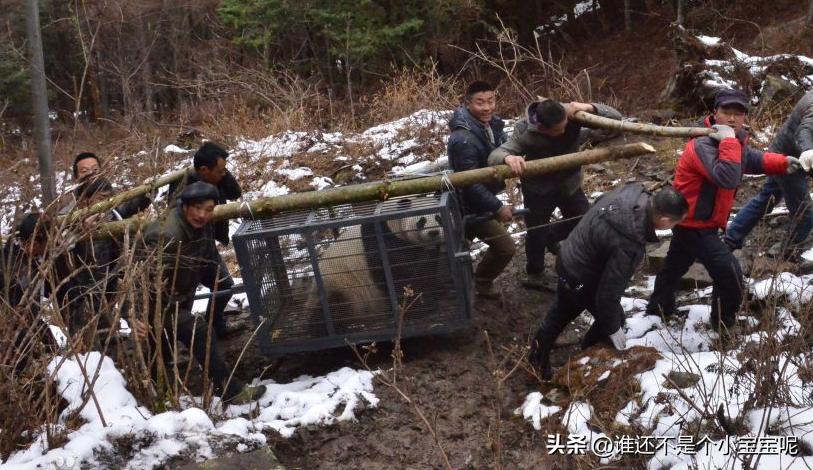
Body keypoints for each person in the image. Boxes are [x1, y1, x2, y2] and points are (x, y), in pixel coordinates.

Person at [646, 89, 804, 334]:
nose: (732, 119)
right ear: (715, 114)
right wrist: (730, 140)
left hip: (696, 221)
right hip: (695, 225)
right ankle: (723, 324)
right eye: (726, 113)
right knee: (729, 273)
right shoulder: (703, 144)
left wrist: (784, 163)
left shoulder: (732, 141)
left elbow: (751, 160)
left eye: (738, 114)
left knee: (675, 266)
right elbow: (728, 177)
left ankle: (658, 308)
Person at [529, 184, 688, 379]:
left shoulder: (634, 192)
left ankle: (537, 357)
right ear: (664, 220)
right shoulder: (630, 242)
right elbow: (607, 295)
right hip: (578, 274)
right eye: (674, 223)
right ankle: (584, 358)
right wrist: (613, 329)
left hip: (569, 254)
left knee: (564, 307)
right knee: (608, 317)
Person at [133, 181, 265, 405]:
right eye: (198, 208)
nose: (203, 214)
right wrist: (135, 314)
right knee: (197, 331)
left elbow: (205, 254)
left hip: (181, 291)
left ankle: (155, 389)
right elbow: (140, 278)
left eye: (209, 209)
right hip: (159, 303)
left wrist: (218, 281)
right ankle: (228, 390)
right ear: (185, 206)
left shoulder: (201, 224)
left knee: (161, 345)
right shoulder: (166, 235)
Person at [488, 98, 622, 290]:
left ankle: (550, 239)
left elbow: (616, 120)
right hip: (538, 189)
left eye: (565, 126)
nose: (563, 131)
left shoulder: (572, 116)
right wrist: (508, 157)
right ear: (542, 127)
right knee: (536, 230)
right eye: (558, 130)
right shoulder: (524, 130)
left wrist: (589, 107)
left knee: (582, 218)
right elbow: (494, 156)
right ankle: (535, 272)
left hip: (569, 184)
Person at [447, 81, 516, 298]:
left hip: (479, 200)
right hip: (468, 206)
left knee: (458, 250)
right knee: (505, 248)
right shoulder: (463, 138)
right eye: (480, 102)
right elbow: (469, 183)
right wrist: (497, 208)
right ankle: (481, 283)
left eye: (491, 101)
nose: (487, 107)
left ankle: (462, 285)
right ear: (467, 104)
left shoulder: (490, 125)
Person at [725, 91, 813, 258]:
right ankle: (787, 255)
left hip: (784, 153)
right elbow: (805, 130)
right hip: (788, 159)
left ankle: (732, 237)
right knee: (805, 213)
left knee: (767, 199)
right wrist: (809, 150)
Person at [168, 142, 242, 336]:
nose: (223, 174)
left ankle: (214, 326)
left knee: (224, 286)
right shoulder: (184, 186)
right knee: (183, 303)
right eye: (220, 170)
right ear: (203, 170)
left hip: (207, 248)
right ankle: (169, 348)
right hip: (187, 253)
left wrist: (222, 173)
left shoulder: (215, 180)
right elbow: (175, 216)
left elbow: (236, 192)